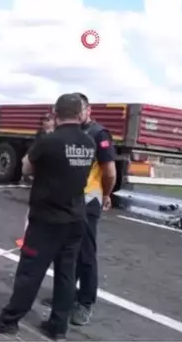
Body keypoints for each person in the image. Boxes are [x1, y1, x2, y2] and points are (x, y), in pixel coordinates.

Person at [0, 93, 95, 341]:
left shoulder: (49, 141)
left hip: (47, 218)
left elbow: (27, 167)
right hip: (76, 218)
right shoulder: (88, 143)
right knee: (66, 274)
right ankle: (58, 327)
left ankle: (9, 320)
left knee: (30, 272)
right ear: (79, 113)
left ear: (56, 113)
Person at [68, 93, 117, 325]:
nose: (77, 113)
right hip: (68, 200)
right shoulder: (71, 132)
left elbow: (109, 171)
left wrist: (106, 194)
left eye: (81, 109)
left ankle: (85, 303)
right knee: (68, 251)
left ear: (89, 110)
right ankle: (67, 295)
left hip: (88, 201)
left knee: (86, 254)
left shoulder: (99, 134)